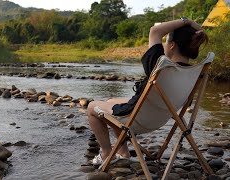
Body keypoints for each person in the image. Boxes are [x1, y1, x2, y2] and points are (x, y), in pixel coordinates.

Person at [87, 17, 209, 165]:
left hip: (137, 119)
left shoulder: (159, 64)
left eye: (166, 42)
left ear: (172, 46)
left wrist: (187, 21)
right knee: (111, 102)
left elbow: (155, 31)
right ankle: (123, 152)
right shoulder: (192, 73)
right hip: (161, 118)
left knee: (91, 107)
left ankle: (106, 153)